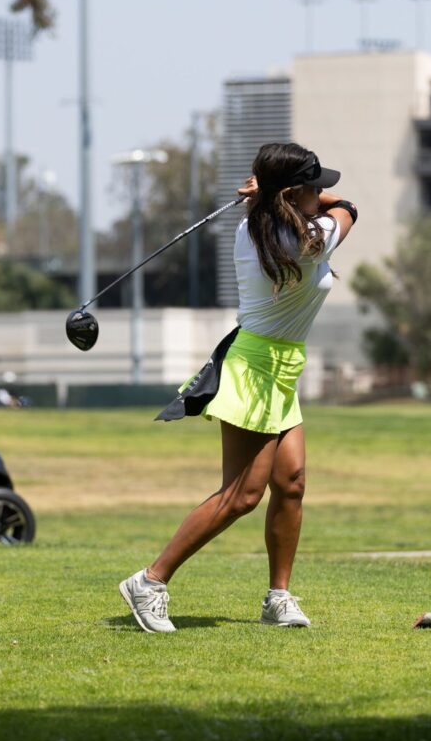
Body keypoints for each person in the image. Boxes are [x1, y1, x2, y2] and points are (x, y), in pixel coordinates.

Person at [118, 142, 357, 633]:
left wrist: (265, 196)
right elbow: (351, 208)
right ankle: (150, 580)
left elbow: (309, 206)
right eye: (314, 188)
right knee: (242, 496)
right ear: (294, 196)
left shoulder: (259, 225)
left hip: (282, 366)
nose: (323, 195)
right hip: (252, 370)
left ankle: (278, 597)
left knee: (290, 486)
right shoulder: (305, 239)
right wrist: (268, 194)